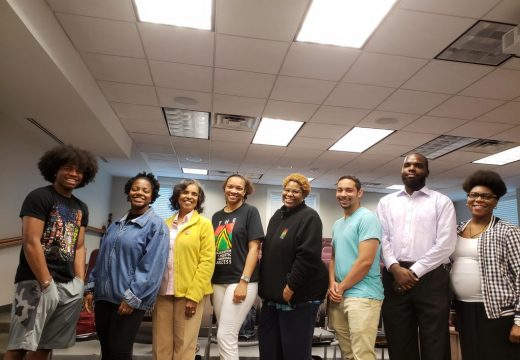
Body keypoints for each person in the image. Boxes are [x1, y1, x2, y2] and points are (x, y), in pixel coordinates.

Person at [5, 144, 98, 360]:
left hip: (67, 285)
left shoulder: (81, 207)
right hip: (35, 282)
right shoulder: (39, 197)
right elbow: (31, 241)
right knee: (20, 344)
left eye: (79, 171)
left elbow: (79, 247)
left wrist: (79, 282)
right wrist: (46, 283)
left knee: (46, 344)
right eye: (68, 168)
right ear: (55, 169)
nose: (73, 174)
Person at [376, 153, 457, 360]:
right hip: (394, 277)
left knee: (435, 342)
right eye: (408, 165)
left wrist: (412, 273)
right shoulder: (386, 202)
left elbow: (445, 244)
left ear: (427, 172)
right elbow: (382, 238)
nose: (412, 168)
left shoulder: (442, 201)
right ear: (402, 170)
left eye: (418, 165)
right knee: (399, 339)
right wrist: (395, 268)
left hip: (431, 277)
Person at [84, 172, 169, 360]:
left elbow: (152, 266)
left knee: (119, 351)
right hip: (103, 297)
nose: (139, 193)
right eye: (135, 189)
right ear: (128, 192)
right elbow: (102, 259)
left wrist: (133, 298)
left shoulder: (156, 226)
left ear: (152, 196)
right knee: (106, 349)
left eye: (145, 190)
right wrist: (91, 287)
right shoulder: (115, 225)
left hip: (128, 300)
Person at [450, 170, 520, 359]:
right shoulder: (456, 230)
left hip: (498, 313)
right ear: (467, 199)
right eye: (474, 195)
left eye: (486, 196)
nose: (479, 199)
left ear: (495, 202)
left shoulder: (508, 231)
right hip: (465, 310)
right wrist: (453, 309)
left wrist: (519, 321)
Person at [258, 173, 328, 360]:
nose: (289, 194)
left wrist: (291, 285)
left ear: (304, 194)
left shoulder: (309, 217)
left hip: (298, 298)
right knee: (270, 351)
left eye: (295, 191)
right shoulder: (277, 216)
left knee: (294, 353)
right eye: (287, 190)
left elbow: (308, 256)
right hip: (273, 299)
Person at [153, 179, 215, 360]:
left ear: (199, 199)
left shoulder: (203, 224)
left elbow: (207, 262)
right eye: (185, 192)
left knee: (185, 346)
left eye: (194, 194)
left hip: (189, 295)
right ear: (177, 196)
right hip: (163, 292)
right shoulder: (164, 223)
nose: (189, 196)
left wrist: (194, 295)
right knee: (160, 344)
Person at [328, 175, 383, 360]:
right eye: (340, 190)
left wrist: (341, 287)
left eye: (349, 190)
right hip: (339, 296)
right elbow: (334, 258)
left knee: (362, 355)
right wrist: (332, 285)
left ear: (359, 192)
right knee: (348, 354)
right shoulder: (337, 224)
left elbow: (365, 262)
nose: (343, 194)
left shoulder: (368, 219)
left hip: (363, 296)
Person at [212, 174, 264, 360]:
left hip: (241, 280)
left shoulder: (250, 212)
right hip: (218, 281)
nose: (233, 191)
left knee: (225, 335)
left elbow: (254, 249)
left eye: (239, 188)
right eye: (230, 186)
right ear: (225, 188)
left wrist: (244, 280)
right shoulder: (217, 216)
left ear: (245, 191)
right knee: (225, 334)